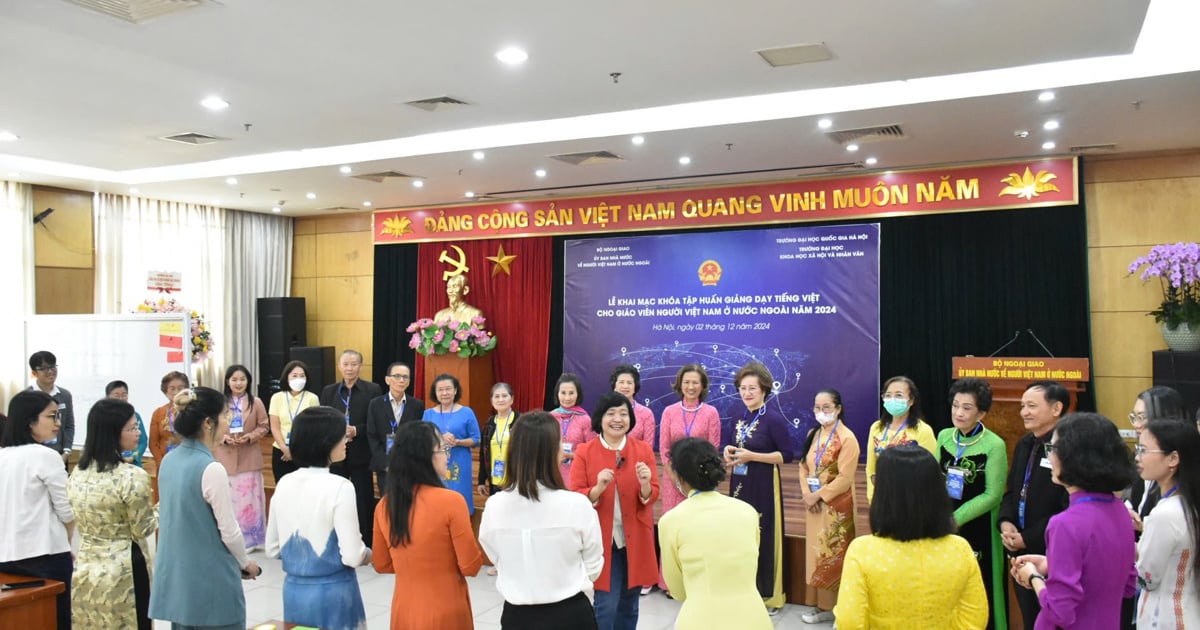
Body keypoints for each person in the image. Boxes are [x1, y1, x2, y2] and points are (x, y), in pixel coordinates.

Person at [834, 445, 988, 629]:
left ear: (885, 494)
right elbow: (975, 618)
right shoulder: (960, 548)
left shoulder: (862, 551)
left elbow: (850, 622)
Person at [149, 387, 262, 630]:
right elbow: (229, 531)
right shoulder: (211, 468)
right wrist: (246, 564)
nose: (228, 421)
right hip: (210, 578)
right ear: (208, 423)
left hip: (179, 578)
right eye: (224, 415)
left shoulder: (169, 460)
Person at [1011, 412, 1137, 630]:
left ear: (1074, 456)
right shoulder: (1121, 512)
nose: (1050, 457)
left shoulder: (1065, 523)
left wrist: (1033, 577)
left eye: (1053, 449)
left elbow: (1060, 612)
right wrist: (1051, 564)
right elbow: (1126, 585)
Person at [479, 411, 604, 629]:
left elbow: (495, 556)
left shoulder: (495, 505)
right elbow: (594, 566)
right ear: (554, 452)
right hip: (571, 615)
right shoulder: (577, 504)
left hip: (517, 616)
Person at [266, 406, 370, 630]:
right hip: (334, 593)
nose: (345, 441)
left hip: (293, 592)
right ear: (326, 441)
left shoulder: (284, 483)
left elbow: (272, 549)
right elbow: (353, 555)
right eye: (341, 436)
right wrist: (371, 555)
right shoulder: (340, 486)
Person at [372, 421, 483, 629]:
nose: (447, 455)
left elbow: (381, 564)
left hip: (403, 611)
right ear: (425, 457)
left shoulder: (385, 504)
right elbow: (471, 566)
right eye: (443, 449)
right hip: (446, 611)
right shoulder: (451, 501)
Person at [659, 437, 772, 630]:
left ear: (680, 477)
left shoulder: (671, 521)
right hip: (755, 620)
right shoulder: (748, 511)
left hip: (701, 621)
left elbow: (677, 590)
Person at [570, 391, 659, 630]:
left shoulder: (642, 450)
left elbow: (652, 494)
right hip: (603, 542)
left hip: (635, 540)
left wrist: (645, 484)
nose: (618, 419)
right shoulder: (584, 452)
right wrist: (598, 488)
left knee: (630, 605)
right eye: (611, 413)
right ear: (600, 418)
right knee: (606, 605)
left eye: (623, 413)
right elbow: (576, 495)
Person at [67, 397, 157, 630]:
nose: (138, 432)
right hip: (124, 569)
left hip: (87, 569)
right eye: (132, 428)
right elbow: (143, 528)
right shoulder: (131, 476)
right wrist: (163, 508)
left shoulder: (79, 471)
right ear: (112, 433)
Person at [722, 361, 795, 614]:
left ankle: (768, 594)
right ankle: (744, 590)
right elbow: (731, 444)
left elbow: (787, 455)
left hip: (764, 484)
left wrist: (753, 456)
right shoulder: (738, 415)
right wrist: (727, 451)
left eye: (752, 388)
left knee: (764, 535)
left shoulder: (772, 418)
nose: (747, 393)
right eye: (743, 388)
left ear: (764, 389)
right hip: (739, 484)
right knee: (740, 537)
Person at [936, 377, 1009, 630]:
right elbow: (936, 478)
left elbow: (993, 495)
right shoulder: (944, 436)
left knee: (980, 583)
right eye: (955, 405)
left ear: (982, 413)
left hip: (980, 525)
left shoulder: (994, 445)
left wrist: (957, 519)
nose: (958, 412)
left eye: (967, 408)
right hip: (944, 521)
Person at [999, 380, 1072, 629]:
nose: (1024, 412)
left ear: (1056, 408)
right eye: (1022, 406)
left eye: (1031, 406)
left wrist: (1027, 538)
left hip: (1050, 550)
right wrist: (1006, 523)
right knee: (1031, 619)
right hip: (1019, 550)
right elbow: (1012, 490)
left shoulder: (1067, 448)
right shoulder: (1025, 443)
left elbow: (1068, 507)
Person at [0, 390, 74, 630]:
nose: (58, 423)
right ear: (30, 421)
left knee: (17, 621)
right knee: (54, 620)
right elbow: (67, 510)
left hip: (6, 556)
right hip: (44, 555)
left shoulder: (3, 456)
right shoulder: (45, 456)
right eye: (52, 416)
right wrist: (70, 540)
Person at [656, 363, 721, 592]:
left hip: (700, 482)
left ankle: (697, 579)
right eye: (687, 382)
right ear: (680, 385)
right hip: (673, 481)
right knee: (673, 529)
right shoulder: (669, 412)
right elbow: (664, 449)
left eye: (695, 382)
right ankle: (669, 583)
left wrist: (696, 480)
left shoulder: (711, 413)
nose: (691, 386)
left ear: (702, 385)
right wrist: (675, 478)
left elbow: (713, 448)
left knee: (698, 529)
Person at [797, 388, 859, 624]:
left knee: (835, 554)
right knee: (815, 553)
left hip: (836, 509)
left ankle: (839, 608)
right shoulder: (814, 434)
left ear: (838, 409)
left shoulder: (847, 438)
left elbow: (844, 478)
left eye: (826, 408)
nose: (821, 412)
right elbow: (803, 467)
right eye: (817, 407)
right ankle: (821, 606)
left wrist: (818, 496)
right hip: (813, 506)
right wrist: (806, 494)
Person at [1134, 418, 1200, 627]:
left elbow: (1147, 578)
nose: (1138, 457)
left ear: (1173, 458)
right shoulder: (1188, 504)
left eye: (1144, 450)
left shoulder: (1166, 514)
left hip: (1164, 618)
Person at [320, 349, 383, 547]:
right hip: (336, 454)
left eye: (353, 364)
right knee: (335, 498)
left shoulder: (372, 390)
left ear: (361, 366)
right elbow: (324, 419)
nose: (349, 368)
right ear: (339, 366)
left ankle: (365, 541)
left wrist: (356, 430)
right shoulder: (329, 391)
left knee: (362, 499)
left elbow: (376, 422)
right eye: (345, 364)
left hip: (361, 453)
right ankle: (335, 539)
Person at [215, 364, 269, 550]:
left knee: (250, 500)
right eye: (234, 379)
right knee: (229, 500)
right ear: (227, 382)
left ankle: (252, 540)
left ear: (248, 382)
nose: (239, 383)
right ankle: (231, 540)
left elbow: (264, 426)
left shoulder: (257, 402)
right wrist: (224, 438)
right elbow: (211, 427)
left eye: (242, 379)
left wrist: (250, 437)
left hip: (249, 456)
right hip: (225, 457)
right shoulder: (219, 403)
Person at [864, 375, 936, 502]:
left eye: (898, 395)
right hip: (882, 497)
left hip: (912, 499)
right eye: (888, 395)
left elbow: (929, 470)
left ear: (911, 400)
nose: (892, 399)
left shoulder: (923, 430)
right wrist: (872, 498)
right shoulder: (876, 428)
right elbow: (871, 468)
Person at [1126, 386, 1187, 532]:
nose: (1136, 425)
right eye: (1134, 417)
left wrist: (1145, 526)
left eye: (1142, 417)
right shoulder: (1142, 457)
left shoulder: (1186, 468)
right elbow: (1132, 496)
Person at [422, 373, 481, 515]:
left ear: (455, 391)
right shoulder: (428, 414)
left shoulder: (467, 412)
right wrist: (439, 439)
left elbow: (477, 439)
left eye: (448, 389)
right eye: (440, 390)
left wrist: (458, 441)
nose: (444, 393)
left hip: (459, 463)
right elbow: (422, 440)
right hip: (436, 464)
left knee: (459, 502)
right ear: (435, 393)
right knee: (437, 504)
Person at [366, 361, 423, 495]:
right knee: (387, 506)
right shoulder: (376, 404)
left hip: (409, 467)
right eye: (397, 376)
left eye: (405, 377)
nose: (401, 380)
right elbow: (372, 435)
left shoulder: (416, 405)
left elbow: (419, 436)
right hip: (385, 467)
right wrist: (385, 464)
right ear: (387, 379)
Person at [268, 360, 318, 483]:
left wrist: (295, 451)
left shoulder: (312, 398)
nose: (298, 379)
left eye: (302, 376)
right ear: (287, 377)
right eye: (294, 375)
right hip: (281, 451)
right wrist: (285, 449)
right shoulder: (277, 397)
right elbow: (274, 427)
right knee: (283, 487)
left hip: (304, 451)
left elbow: (314, 428)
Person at [148, 370, 190, 499]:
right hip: (165, 464)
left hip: (188, 464)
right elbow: (153, 443)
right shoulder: (158, 413)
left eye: (180, 388)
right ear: (165, 391)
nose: (176, 392)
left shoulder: (192, 412)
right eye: (172, 388)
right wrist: (162, 463)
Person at [29, 350, 75, 463]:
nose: (50, 371)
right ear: (34, 373)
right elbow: (23, 429)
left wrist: (66, 452)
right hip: (35, 457)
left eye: (53, 367)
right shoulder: (27, 397)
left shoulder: (64, 395)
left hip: (60, 456)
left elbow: (69, 425)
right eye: (44, 368)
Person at [478, 382, 519, 497]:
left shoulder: (520, 422)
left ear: (512, 399)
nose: (501, 399)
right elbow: (483, 454)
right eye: (497, 396)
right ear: (492, 401)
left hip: (516, 481)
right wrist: (481, 481)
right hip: (495, 481)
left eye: (504, 396)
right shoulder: (489, 424)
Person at [551, 372, 594, 481]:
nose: (567, 397)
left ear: (578, 394)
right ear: (557, 393)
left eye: (571, 393)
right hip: (552, 476)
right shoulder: (550, 418)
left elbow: (592, 452)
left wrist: (570, 455)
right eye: (563, 393)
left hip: (578, 477)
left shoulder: (585, 419)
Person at [610, 363, 656, 447]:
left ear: (635, 387)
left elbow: (647, 448)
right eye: (621, 382)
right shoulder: (605, 411)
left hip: (638, 459)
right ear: (614, 386)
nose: (625, 386)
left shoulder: (646, 414)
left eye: (629, 383)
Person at [106, 380, 148, 467]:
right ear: (108, 397)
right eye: (116, 395)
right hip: (111, 464)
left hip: (134, 464)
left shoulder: (135, 416)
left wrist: (133, 457)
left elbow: (142, 442)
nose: (121, 398)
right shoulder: (103, 418)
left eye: (124, 395)